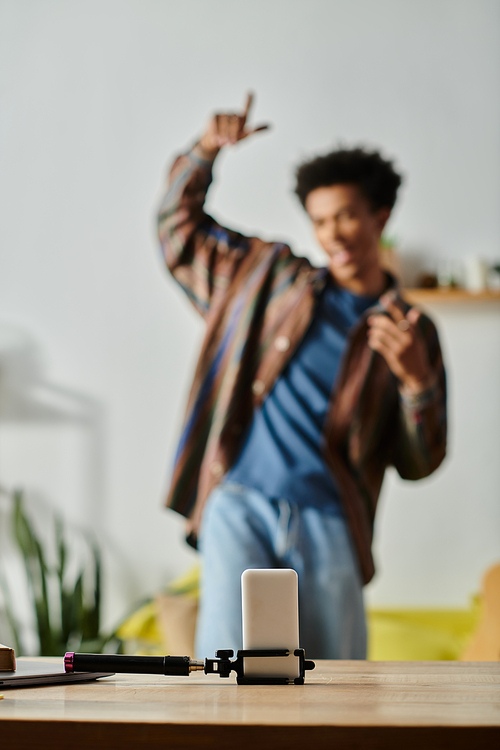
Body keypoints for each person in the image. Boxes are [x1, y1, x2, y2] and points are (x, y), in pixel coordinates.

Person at [157, 94, 446, 660]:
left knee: (336, 687)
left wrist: (417, 385)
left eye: (346, 216)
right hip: (238, 501)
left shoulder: (413, 331)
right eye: (319, 221)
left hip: (330, 516)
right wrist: (204, 151)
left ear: (379, 217)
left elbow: (420, 462)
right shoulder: (269, 279)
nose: (333, 234)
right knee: (230, 676)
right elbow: (177, 232)